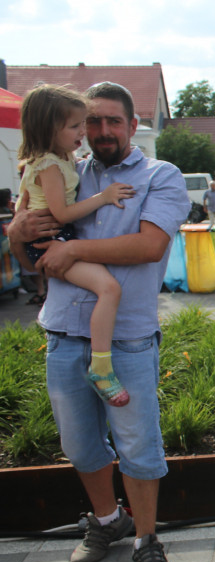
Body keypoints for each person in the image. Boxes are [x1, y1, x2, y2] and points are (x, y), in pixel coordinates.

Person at [7, 81, 189, 562]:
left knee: (137, 446)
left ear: (134, 126)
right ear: (78, 126)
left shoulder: (160, 175)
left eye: (114, 121)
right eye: (93, 121)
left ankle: (148, 541)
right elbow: (34, 261)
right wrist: (18, 234)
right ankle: (109, 521)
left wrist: (76, 253)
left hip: (127, 338)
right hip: (64, 333)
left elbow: (151, 246)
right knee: (81, 445)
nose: (102, 131)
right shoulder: (60, 169)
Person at [9, 84, 135, 407]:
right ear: (51, 130)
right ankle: (102, 367)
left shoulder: (61, 158)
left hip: (56, 238)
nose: (83, 132)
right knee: (109, 289)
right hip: (52, 240)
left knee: (106, 288)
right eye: (76, 126)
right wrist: (104, 197)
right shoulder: (49, 166)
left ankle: (99, 363)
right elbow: (62, 213)